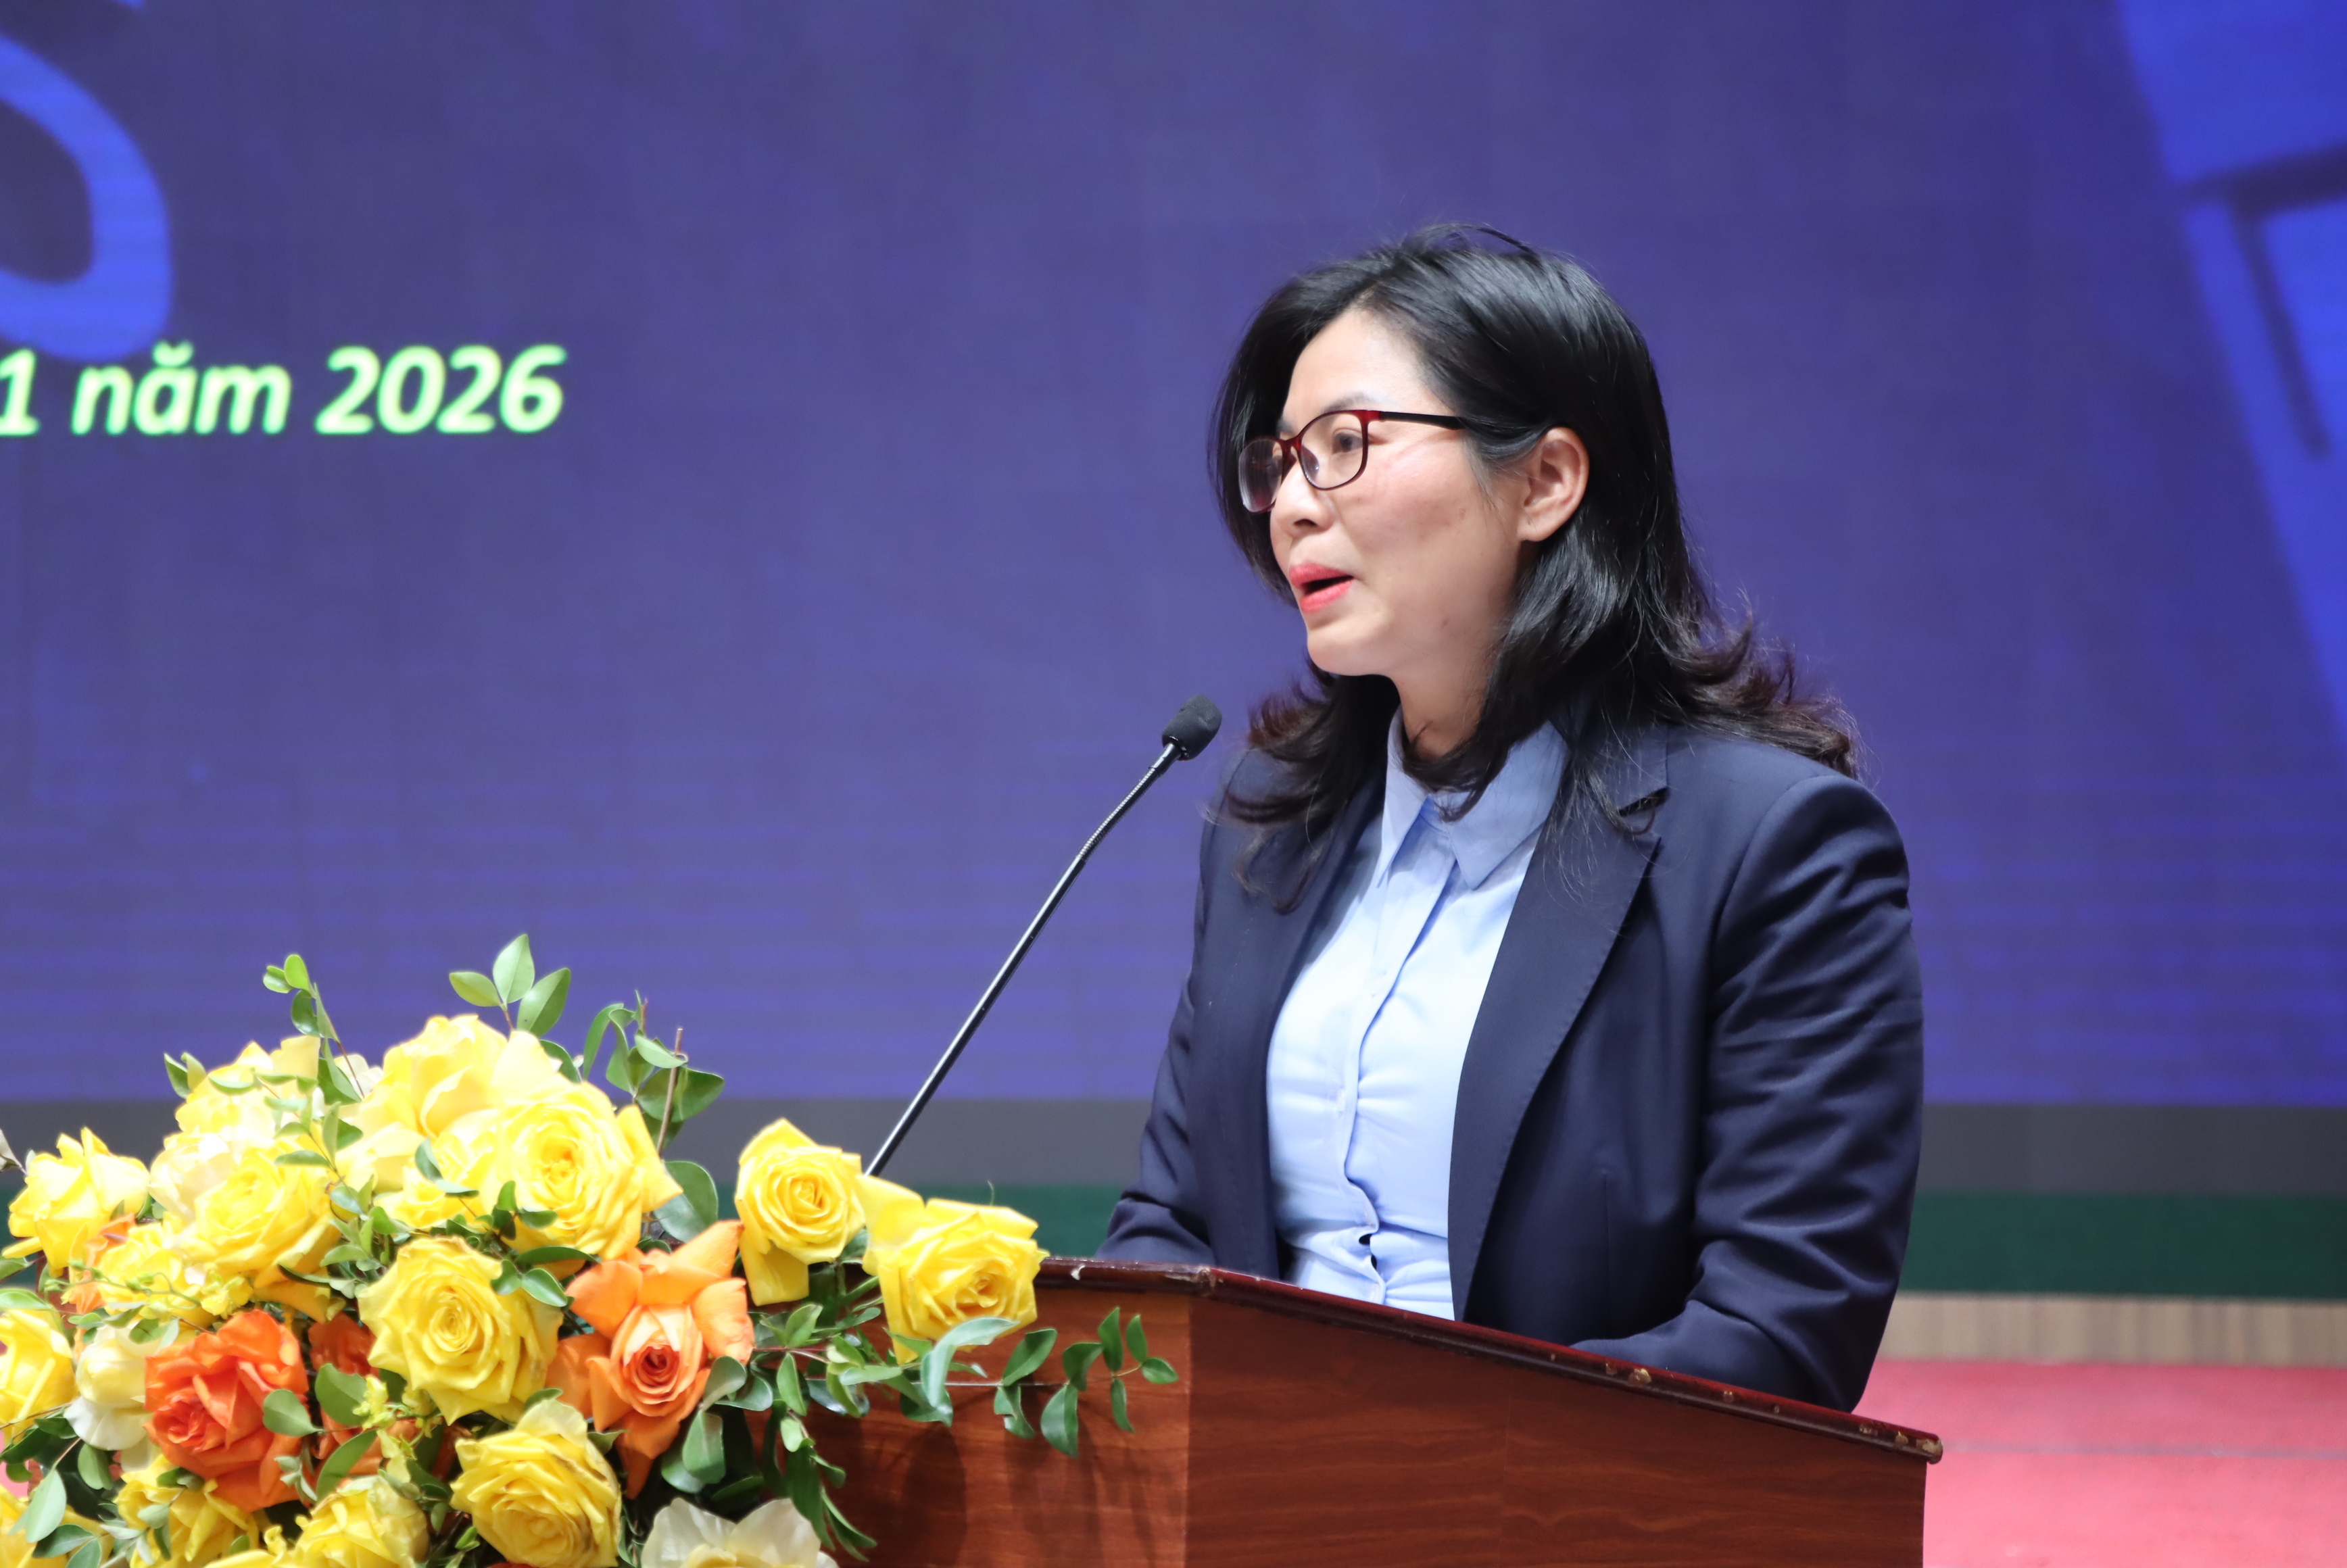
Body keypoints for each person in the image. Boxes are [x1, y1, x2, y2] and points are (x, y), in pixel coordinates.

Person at [1097, 227, 1922, 1413]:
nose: (1293, 507)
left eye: (1346, 446)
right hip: (1254, 1488)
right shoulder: (1268, 829)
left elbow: (1778, 1331)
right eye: (1280, 462)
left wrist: (1406, 1477)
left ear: (1545, 483)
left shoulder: (1774, 851)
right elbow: (1172, 1230)